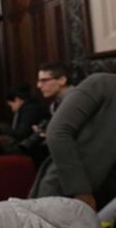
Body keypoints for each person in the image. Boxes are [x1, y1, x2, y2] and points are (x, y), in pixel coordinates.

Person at [29, 73, 116, 211]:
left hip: (107, 199)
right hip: (67, 192)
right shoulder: (102, 84)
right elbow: (57, 133)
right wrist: (80, 190)